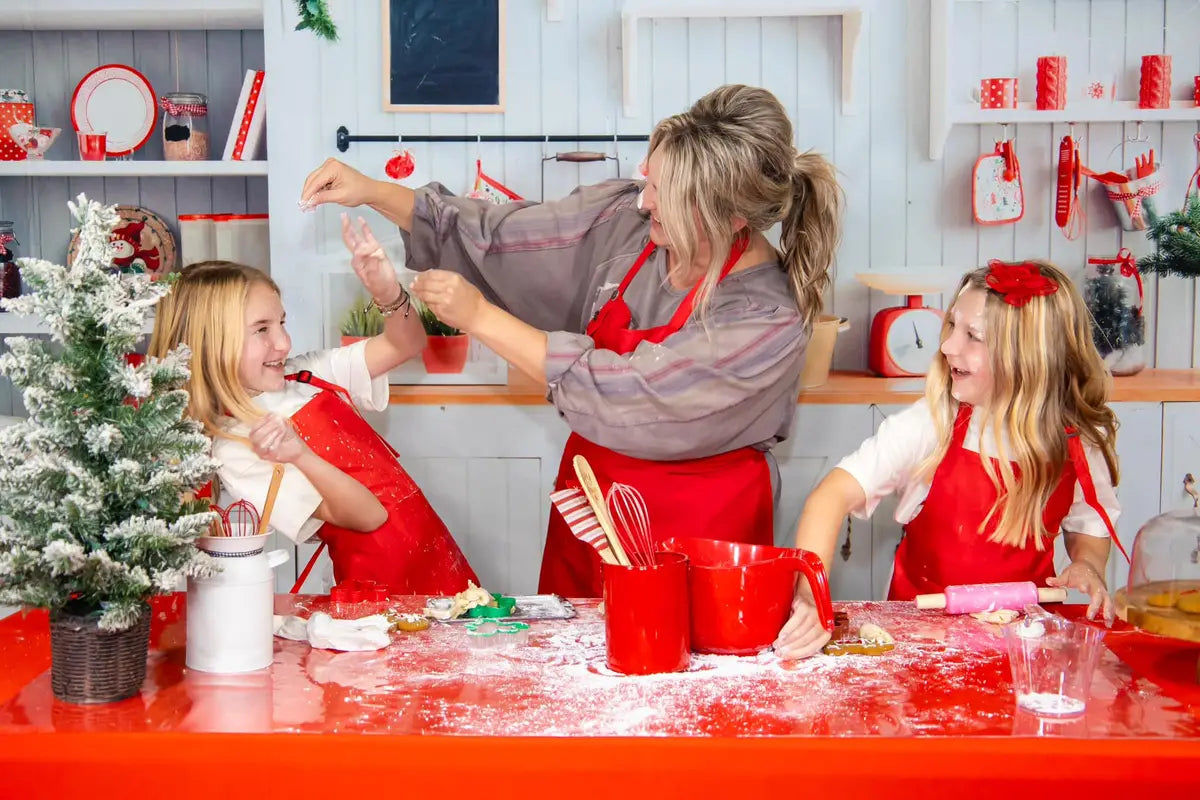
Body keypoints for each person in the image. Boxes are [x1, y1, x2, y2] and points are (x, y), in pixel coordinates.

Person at [300, 84, 844, 597]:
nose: (644, 201)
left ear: (727, 216)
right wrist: (371, 190)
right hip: (594, 513)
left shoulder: (764, 318)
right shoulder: (624, 226)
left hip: (705, 542)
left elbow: (629, 393)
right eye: (649, 179)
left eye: (664, 193)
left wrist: (481, 317)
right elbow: (498, 236)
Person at [774, 260, 1127, 658]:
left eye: (972, 336)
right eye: (952, 327)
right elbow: (830, 497)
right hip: (918, 646)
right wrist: (809, 598)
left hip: (1021, 646)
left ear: (1028, 357)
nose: (947, 346)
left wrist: (1087, 564)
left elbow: (1089, 526)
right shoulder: (933, 423)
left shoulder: (1076, 442)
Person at [148, 216, 478, 594]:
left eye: (281, 323)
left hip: (436, 555)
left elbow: (406, 344)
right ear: (209, 344)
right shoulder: (239, 446)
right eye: (262, 330)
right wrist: (300, 454)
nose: (284, 343)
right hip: (379, 593)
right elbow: (366, 517)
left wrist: (388, 294)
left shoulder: (305, 373)